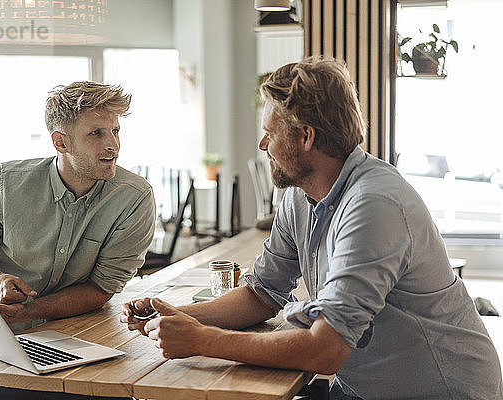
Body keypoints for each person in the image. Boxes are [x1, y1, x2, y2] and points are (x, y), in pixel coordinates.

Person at [121, 57, 502, 399]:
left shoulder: (374, 204)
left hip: (441, 391)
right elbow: (263, 294)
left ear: (306, 137)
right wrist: (175, 316)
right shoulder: (300, 194)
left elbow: (326, 350)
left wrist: (203, 340)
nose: (262, 143)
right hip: (363, 386)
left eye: (270, 131)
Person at [0, 81, 156, 400]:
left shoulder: (134, 198)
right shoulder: (5, 185)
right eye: (96, 134)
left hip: (82, 342)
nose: (113, 145)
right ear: (60, 142)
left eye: (115, 131)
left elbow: (101, 289)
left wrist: (28, 310)